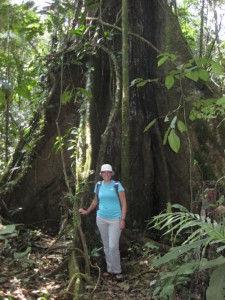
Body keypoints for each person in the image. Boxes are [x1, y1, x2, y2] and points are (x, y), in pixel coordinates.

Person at [79, 164, 127, 280]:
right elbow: (96, 201)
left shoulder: (117, 185)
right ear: (101, 174)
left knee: (113, 246)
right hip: (101, 218)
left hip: (115, 219)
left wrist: (123, 219)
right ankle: (110, 269)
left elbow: (124, 203)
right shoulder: (98, 185)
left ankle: (117, 270)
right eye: (104, 172)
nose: (106, 174)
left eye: (108, 172)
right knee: (106, 246)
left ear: (111, 174)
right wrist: (87, 211)